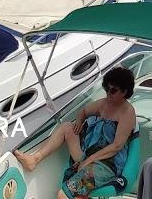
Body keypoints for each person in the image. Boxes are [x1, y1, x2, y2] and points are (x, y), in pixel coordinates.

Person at [15, 66, 138, 199]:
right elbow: (84, 111)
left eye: (113, 90)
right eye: (107, 88)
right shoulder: (104, 104)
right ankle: (34, 159)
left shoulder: (127, 112)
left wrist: (88, 161)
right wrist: (79, 122)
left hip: (106, 165)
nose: (108, 93)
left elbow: (116, 146)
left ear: (125, 92)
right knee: (67, 127)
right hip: (88, 154)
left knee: (63, 195)